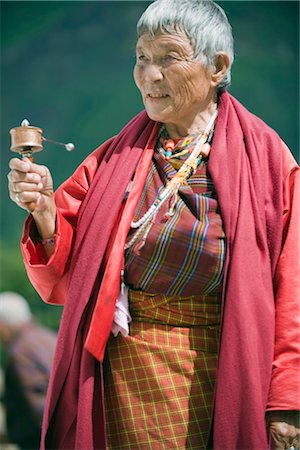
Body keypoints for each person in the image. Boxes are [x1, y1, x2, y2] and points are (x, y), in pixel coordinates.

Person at [7, 0, 299, 449]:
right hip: (124, 376)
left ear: (218, 66)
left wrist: (286, 401)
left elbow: (293, 287)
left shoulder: (266, 160)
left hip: (224, 365)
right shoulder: (114, 158)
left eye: (169, 58)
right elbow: (66, 272)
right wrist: (44, 210)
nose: (150, 75)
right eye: (142, 57)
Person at [0, 292, 57, 450]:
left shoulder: (19, 351)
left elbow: (37, 401)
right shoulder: (47, 336)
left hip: (40, 441)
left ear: (3, 324)